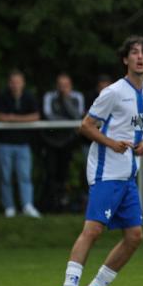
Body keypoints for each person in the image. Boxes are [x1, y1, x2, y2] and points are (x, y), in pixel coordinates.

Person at [54, 36, 143, 286]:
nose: (139, 57)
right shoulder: (112, 92)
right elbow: (86, 125)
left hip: (128, 175)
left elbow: (137, 129)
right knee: (93, 229)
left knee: (134, 236)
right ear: (125, 59)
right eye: (134, 52)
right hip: (106, 172)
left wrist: (141, 143)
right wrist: (112, 143)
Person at [0, 69, 41, 218]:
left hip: (23, 144)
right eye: (13, 82)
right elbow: (0, 117)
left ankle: (27, 205)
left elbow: (35, 116)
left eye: (18, 82)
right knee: (5, 177)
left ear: (23, 83)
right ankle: (9, 207)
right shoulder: (3, 96)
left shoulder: (28, 97)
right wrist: (21, 118)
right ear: (9, 83)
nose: (15, 85)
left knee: (24, 176)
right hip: (4, 144)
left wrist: (13, 118)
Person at [41, 72, 85, 212]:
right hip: (51, 142)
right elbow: (49, 116)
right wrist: (68, 122)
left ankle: (65, 204)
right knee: (50, 173)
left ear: (70, 85)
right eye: (60, 85)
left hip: (69, 142)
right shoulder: (49, 97)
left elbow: (78, 116)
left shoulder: (77, 97)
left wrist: (65, 99)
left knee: (66, 175)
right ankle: (50, 205)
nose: (62, 88)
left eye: (65, 85)